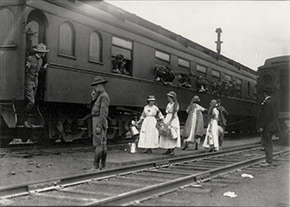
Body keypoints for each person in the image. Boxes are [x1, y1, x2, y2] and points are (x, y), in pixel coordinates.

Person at [24, 43, 49, 128]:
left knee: (32, 102)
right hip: (29, 82)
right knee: (31, 102)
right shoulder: (30, 59)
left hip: (35, 83)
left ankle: (27, 121)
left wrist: (44, 68)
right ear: (39, 52)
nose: (44, 54)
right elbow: (25, 70)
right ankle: (24, 120)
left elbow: (38, 71)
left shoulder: (41, 60)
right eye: (43, 52)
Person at [90, 76, 110, 170]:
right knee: (101, 143)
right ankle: (102, 166)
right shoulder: (101, 96)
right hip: (97, 119)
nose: (95, 88)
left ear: (101, 85)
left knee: (99, 143)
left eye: (96, 86)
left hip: (98, 120)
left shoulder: (104, 96)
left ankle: (96, 166)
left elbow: (103, 112)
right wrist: (93, 98)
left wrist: (99, 125)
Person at [257, 87, 279, 166]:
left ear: (265, 93)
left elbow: (265, 116)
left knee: (267, 143)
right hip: (271, 125)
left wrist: (262, 126)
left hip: (267, 126)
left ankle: (268, 161)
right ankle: (269, 160)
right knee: (269, 143)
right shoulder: (273, 101)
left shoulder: (267, 103)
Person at [159, 91, 181, 156]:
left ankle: (172, 149)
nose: (168, 98)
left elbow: (174, 114)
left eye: (169, 97)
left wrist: (170, 121)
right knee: (166, 133)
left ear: (172, 98)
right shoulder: (168, 104)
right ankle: (168, 149)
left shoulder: (175, 104)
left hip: (173, 119)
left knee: (172, 133)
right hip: (168, 118)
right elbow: (167, 113)